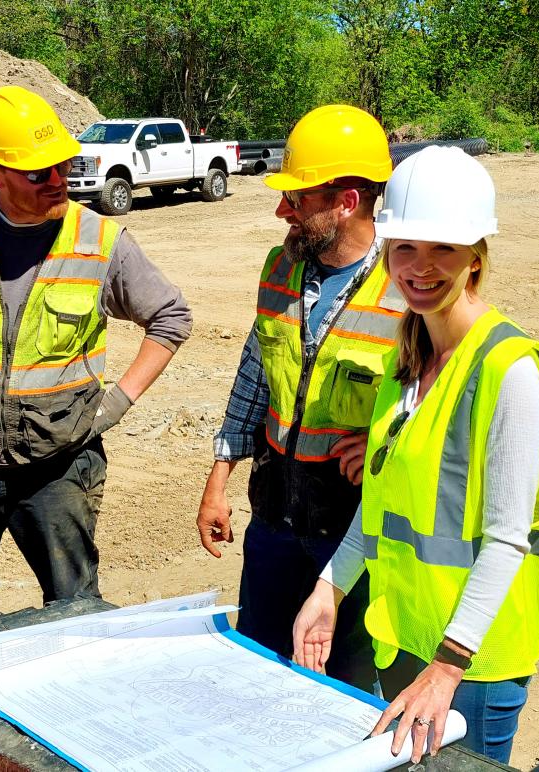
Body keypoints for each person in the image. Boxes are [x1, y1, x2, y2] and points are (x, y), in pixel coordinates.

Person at [290, 146, 539, 764]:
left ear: (477, 255)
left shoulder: (509, 369)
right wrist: (328, 591)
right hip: (407, 638)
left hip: (472, 663)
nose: (420, 267)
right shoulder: (406, 361)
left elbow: (507, 539)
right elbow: (382, 506)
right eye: (405, 248)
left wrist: (448, 667)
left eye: (442, 248)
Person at [0, 86, 191, 642]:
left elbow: (169, 318)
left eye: (64, 166)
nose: (59, 180)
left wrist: (115, 404)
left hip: (59, 461)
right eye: (39, 172)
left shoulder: (101, 241)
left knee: (74, 613)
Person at [195, 105, 402, 692]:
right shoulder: (282, 266)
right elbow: (254, 374)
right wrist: (218, 480)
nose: (281, 210)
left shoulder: (404, 285)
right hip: (273, 519)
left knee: (346, 692)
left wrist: (390, 441)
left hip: (352, 532)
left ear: (346, 202)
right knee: (257, 673)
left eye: (297, 198)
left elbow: (437, 400)